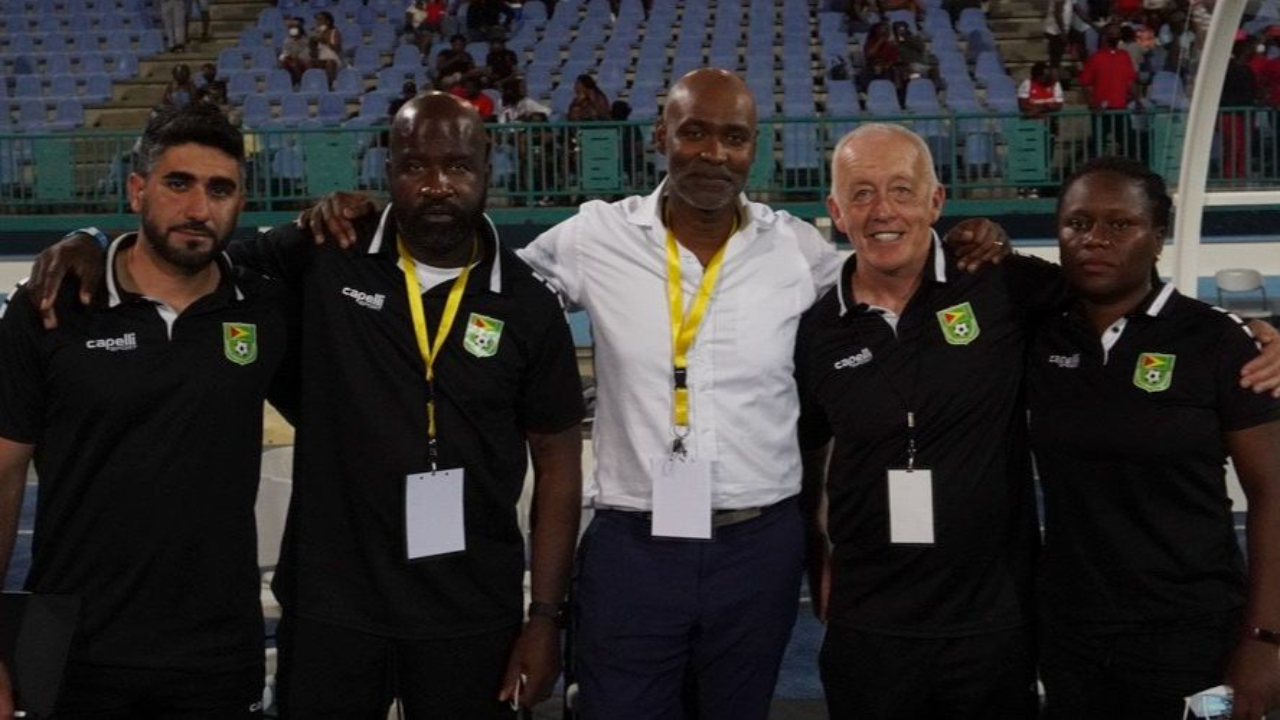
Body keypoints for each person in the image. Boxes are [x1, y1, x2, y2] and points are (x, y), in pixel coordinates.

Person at [293, 69, 1012, 720]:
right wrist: (377, 213)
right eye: (693, 132)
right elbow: (479, 278)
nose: (712, 153)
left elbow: (895, 273)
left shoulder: (798, 252)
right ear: (661, 137)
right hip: (634, 542)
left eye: (733, 138)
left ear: (753, 150)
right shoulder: (594, 235)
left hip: (758, 543)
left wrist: (977, 239)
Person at [26, 93, 586, 719]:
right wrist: (92, 238)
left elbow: (559, 460)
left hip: (470, 607)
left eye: (457, 167)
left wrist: (544, 618)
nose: (436, 186)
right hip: (331, 607)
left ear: (487, 166)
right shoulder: (326, 251)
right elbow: (187, 256)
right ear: (387, 169)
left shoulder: (528, 304)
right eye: (414, 166)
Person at [794, 124, 1280, 720]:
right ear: (836, 211)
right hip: (883, 625)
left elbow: (1137, 301)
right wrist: (814, 544)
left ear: (936, 202)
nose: (882, 210)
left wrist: (1252, 334)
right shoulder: (816, 329)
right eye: (862, 193)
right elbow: (810, 448)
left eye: (900, 188)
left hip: (1006, 625)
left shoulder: (1000, 285)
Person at [0, 103, 290, 718]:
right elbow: (2, 473)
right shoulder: (52, 304)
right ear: (137, 189)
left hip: (215, 647)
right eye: (177, 183)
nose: (197, 208)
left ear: (240, 202)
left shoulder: (264, 308)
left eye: (220, 189)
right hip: (74, 641)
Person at [1031, 157, 1280, 719]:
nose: (1095, 239)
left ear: (1158, 236)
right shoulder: (1037, 334)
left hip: (1193, 633)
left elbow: (1274, 495)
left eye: (1121, 224)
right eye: (1077, 223)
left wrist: (1266, 640)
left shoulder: (1219, 341)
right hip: (1071, 635)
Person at [1079, 23, 1139, 156]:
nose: (1115, 37)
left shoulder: (1124, 56)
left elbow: (1130, 81)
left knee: (1129, 143)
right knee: (1098, 146)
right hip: (1102, 110)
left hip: (1121, 108)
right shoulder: (1096, 57)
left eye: (1117, 34)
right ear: (1105, 37)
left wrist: (1138, 102)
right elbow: (1084, 83)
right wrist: (1092, 105)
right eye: (1112, 34)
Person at [309, 11, 343, 86]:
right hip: (319, 57)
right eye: (317, 20)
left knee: (329, 63)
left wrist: (325, 40)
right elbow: (312, 52)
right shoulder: (316, 32)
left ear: (327, 21)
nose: (318, 22)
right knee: (309, 63)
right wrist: (312, 42)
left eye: (320, 20)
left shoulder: (334, 32)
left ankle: (329, 87)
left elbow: (337, 49)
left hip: (332, 57)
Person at [278, 18, 310, 88]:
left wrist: (296, 58)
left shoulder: (306, 40)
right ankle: (289, 85)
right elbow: (284, 53)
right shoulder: (287, 41)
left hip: (303, 62)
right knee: (284, 63)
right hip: (291, 61)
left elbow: (306, 54)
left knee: (296, 64)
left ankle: (300, 84)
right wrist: (283, 58)